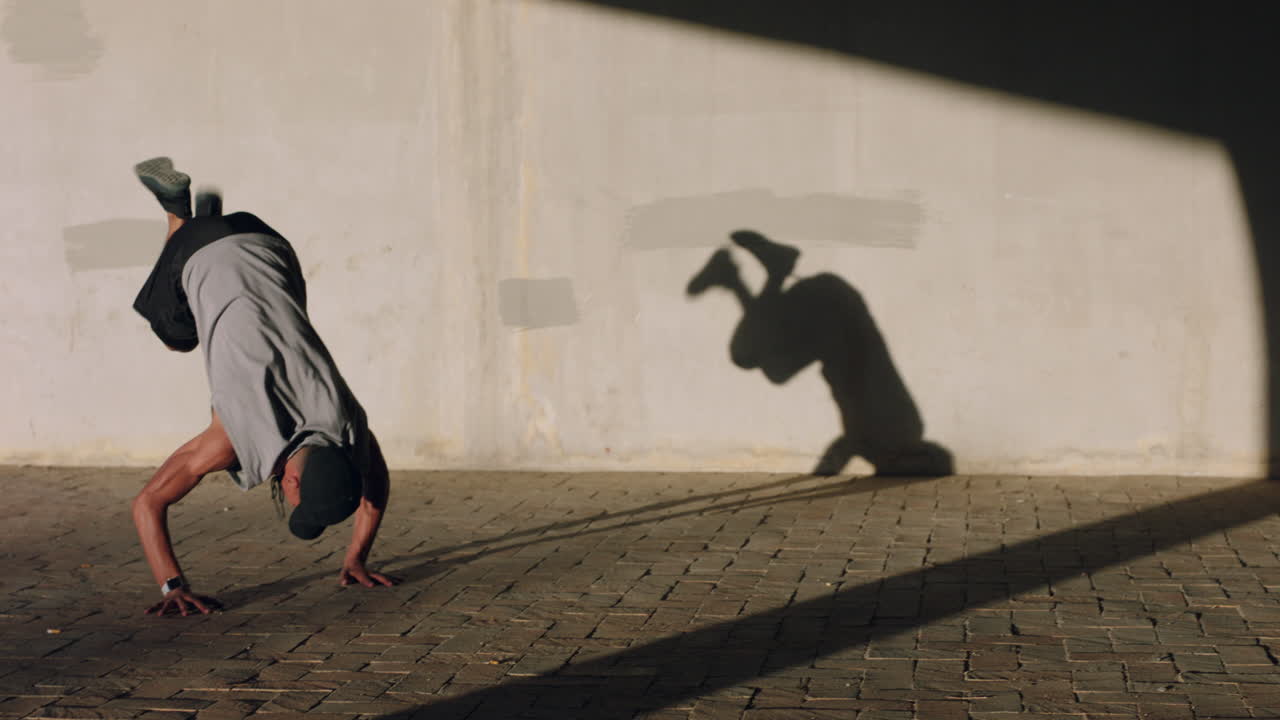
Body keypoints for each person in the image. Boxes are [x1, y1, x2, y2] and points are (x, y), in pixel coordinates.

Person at [129, 157, 395, 617]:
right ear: (291, 481)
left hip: (269, 244)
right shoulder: (230, 440)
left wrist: (356, 557)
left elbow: (375, 486)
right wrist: (173, 587)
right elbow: (147, 503)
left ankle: (209, 223)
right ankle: (178, 214)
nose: (293, 504)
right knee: (177, 338)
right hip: (203, 252)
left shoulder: (349, 426)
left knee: (262, 305)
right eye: (297, 502)